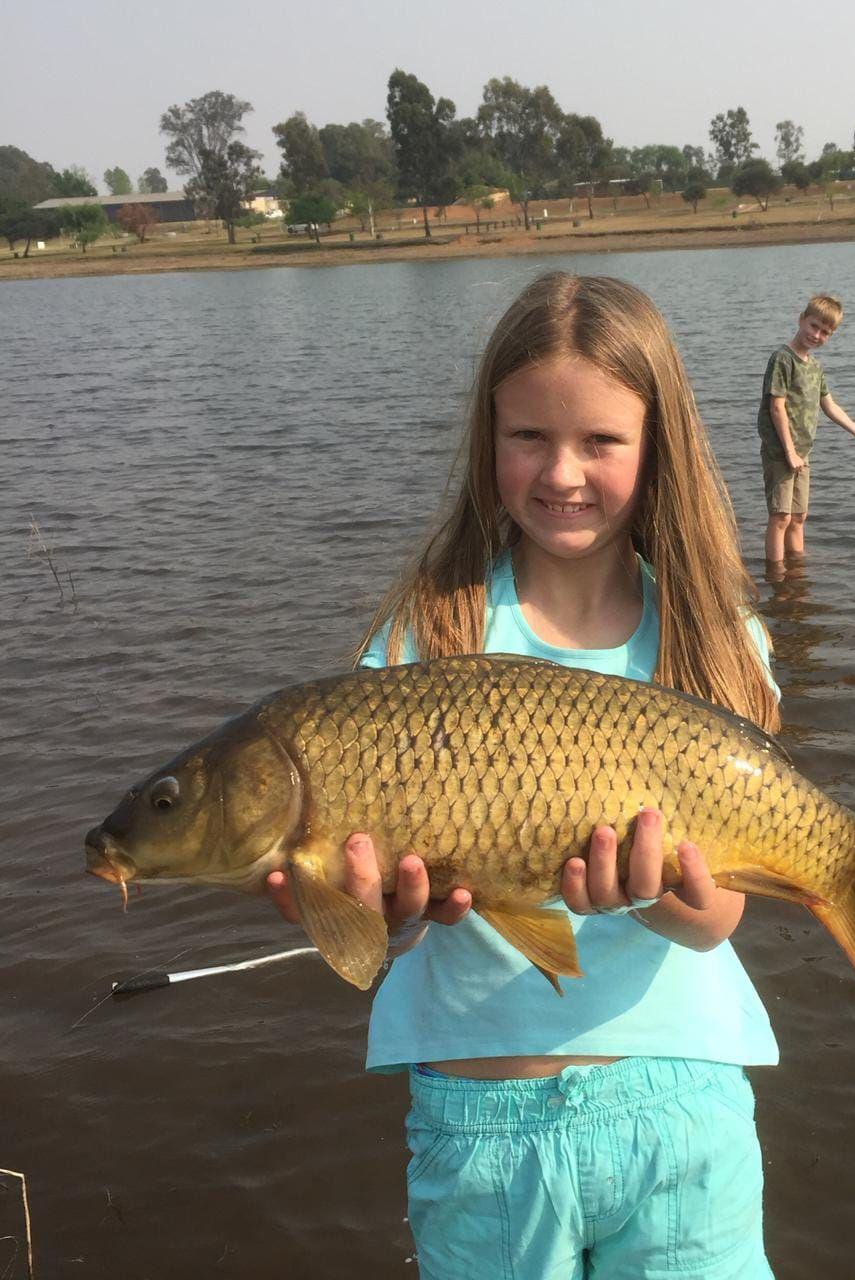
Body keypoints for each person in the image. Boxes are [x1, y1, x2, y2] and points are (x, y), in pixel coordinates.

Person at [268, 272, 782, 1279]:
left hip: (683, 1108)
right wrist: (373, 908)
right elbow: (386, 932)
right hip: (481, 1122)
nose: (562, 471)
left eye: (601, 440)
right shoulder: (422, 634)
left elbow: (716, 920)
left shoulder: (716, 636)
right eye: (528, 436)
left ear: (658, 445)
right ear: (486, 439)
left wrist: (651, 895)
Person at [757, 294, 855, 566]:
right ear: (801, 319)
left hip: (802, 452)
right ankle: (776, 574)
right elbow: (776, 407)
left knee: (799, 517)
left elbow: (829, 405)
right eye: (814, 326)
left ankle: (797, 571)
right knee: (781, 517)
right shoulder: (782, 359)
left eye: (825, 332)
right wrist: (789, 452)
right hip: (780, 451)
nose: (817, 335)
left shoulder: (814, 367)